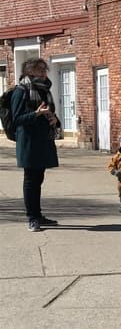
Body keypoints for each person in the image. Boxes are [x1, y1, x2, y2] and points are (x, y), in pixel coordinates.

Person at [11, 58, 61, 232]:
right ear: (30, 72)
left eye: (45, 70)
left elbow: (50, 112)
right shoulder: (21, 91)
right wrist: (36, 114)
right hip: (29, 143)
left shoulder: (44, 90)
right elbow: (17, 119)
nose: (44, 73)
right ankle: (32, 218)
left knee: (38, 180)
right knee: (31, 180)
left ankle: (38, 215)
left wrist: (55, 119)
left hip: (43, 141)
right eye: (41, 70)